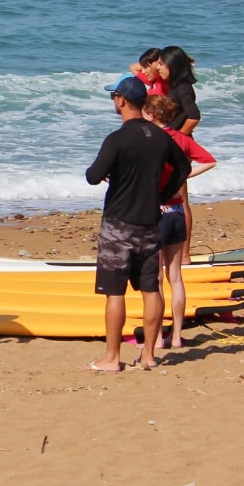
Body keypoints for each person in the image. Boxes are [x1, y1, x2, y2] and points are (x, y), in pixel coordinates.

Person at [85, 75, 190, 372]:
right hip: (151, 220)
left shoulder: (117, 139)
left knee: (114, 291)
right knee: (150, 289)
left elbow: (93, 176)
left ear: (121, 100)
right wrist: (164, 193)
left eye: (114, 97)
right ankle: (148, 356)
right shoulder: (160, 137)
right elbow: (183, 167)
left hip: (119, 222)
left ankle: (112, 358)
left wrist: (111, 173)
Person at [142, 95, 216, 349]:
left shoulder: (151, 140)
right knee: (176, 276)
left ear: (150, 114)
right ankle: (176, 336)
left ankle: (160, 336)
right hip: (176, 210)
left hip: (157, 211)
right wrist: (185, 175)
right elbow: (209, 161)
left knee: (157, 279)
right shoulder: (181, 139)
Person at [153, 45, 201, 263]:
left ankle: (185, 255)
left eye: (162, 63)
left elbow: (194, 116)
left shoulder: (182, 88)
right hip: (175, 145)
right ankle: (177, 253)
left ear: (172, 65)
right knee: (173, 197)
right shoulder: (174, 85)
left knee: (181, 200)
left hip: (180, 148)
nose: (158, 67)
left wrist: (177, 137)